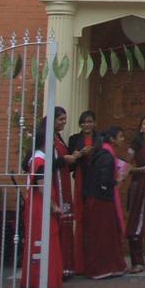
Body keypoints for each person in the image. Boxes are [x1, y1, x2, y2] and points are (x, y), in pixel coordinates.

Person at [19, 117, 65, 288]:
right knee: (43, 240)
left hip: (36, 206)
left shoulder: (35, 159)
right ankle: (43, 280)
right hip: (40, 207)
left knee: (37, 241)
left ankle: (36, 278)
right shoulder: (40, 162)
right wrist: (54, 206)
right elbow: (41, 188)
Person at [83, 126, 127, 279]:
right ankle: (102, 268)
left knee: (104, 234)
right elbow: (104, 180)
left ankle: (110, 266)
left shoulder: (102, 154)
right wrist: (115, 182)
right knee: (103, 234)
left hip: (98, 198)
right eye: (120, 136)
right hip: (102, 200)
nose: (123, 140)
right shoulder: (107, 157)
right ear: (112, 140)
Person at [67, 110, 97, 275]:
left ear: (94, 123)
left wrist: (92, 151)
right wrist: (77, 155)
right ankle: (79, 261)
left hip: (95, 180)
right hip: (80, 179)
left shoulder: (99, 138)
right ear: (80, 124)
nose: (87, 124)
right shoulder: (74, 139)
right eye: (84, 122)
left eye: (90, 121)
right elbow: (69, 164)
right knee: (80, 217)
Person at [126, 114, 145, 273]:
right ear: (141, 127)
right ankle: (137, 261)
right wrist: (142, 169)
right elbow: (126, 167)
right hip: (140, 187)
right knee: (136, 222)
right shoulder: (135, 145)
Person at [51, 107, 78, 278]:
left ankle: (66, 267)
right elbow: (42, 163)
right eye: (60, 119)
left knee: (66, 222)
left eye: (65, 119)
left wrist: (73, 158)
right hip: (55, 183)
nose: (63, 122)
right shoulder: (46, 139)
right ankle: (56, 267)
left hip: (65, 182)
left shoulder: (59, 138)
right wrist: (64, 159)